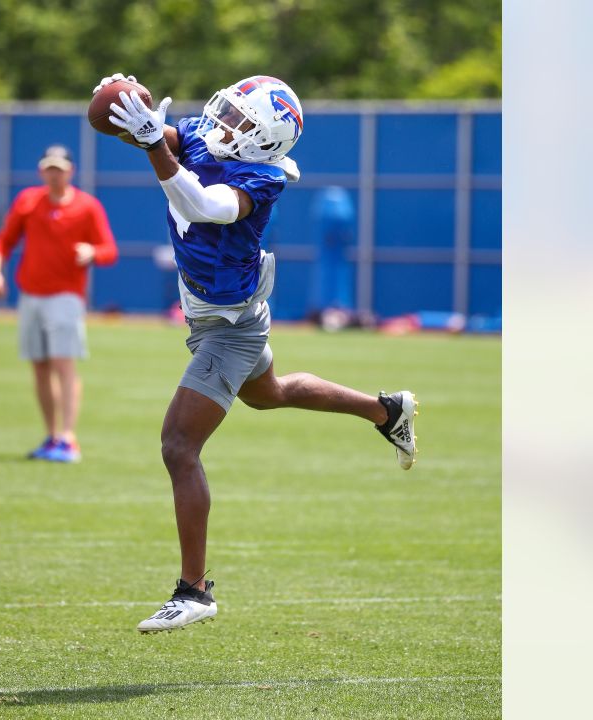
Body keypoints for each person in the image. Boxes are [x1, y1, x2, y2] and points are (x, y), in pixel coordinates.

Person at [97, 73, 418, 632]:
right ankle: (386, 410)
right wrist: (126, 109)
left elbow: (202, 206)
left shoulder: (262, 176)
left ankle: (194, 591)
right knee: (270, 394)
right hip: (221, 310)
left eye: (242, 123)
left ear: (267, 140)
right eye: (228, 111)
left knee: (179, 445)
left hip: (230, 325)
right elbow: (160, 137)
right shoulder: (205, 132)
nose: (225, 125)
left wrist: (150, 142)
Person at [0, 145, 118, 463]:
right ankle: (52, 435)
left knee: (64, 364)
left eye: (59, 168)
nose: (54, 173)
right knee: (40, 367)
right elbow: (5, 240)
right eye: (49, 168)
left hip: (66, 295)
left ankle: (69, 438)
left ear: (70, 171)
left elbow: (109, 250)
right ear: (41, 171)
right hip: (31, 294)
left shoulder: (87, 207)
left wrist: (92, 252)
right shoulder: (28, 201)